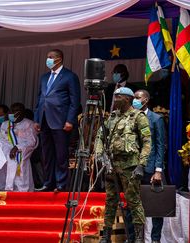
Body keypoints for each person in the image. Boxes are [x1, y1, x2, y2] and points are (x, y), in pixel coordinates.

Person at [94, 87, 151, 243]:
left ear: (127, 98)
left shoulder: (138, 117)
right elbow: (100, 136)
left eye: (117, 97)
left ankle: (139, 237)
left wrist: (142, 164)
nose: (114, 100)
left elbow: (147, 142)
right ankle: (106, 235)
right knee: (110, 200)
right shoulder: (112, 117)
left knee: (133, 201)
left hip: (130, 167)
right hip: (111, 166)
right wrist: (100, 155)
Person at [34, 49, 81, 192]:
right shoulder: (44, 77)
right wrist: (37, 119)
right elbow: (40, 99)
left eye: (50, 57)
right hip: (44, 120)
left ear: (59, 59)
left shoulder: (69, 76)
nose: (47, 59)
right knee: (46, 154)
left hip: (61, 121)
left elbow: (75, 101)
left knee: (61, 154)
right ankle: (48, 183)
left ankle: (61, 184)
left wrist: (70, 120)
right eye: (47, 57)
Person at [125, 89, 166, 243]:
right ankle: (133, 238)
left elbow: (160, 145)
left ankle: (155, 239)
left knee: (156, 208)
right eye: (133, 97)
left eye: (137, 97)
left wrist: (158, 170)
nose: (134, 100)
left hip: (150, 169)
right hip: (132, 168)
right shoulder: (129, 117)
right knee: (131, 206)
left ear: (146, 100)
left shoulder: (156, 119)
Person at [0, 103, 38, 191]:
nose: (12, 113)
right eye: (11, 111)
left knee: (13, 158)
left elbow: (32, 142)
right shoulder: (5, 124)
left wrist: (17, 147)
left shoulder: (29, 124)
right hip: (7, 148)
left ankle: (12, 189)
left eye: (16, 111)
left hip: (21, 151)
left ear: (22, 112)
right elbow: (2, 141)